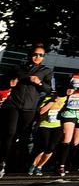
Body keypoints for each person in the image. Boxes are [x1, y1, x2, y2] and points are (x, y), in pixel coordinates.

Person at [0, 44, 53, 178]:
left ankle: (17, 163)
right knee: (9, 133)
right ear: (30, 55)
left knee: (23, 136)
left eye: (41, 55)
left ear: (43, 57)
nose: (37, 57)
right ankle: (2, 162)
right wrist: (9, 83)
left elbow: (48, 90)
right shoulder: (18, 68)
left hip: (30, 108)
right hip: (13, 104)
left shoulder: (46, 71)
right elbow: (3, 81)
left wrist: (39, 83)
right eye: (35, 54)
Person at [28, 90, 66, 175]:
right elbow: (41, 111)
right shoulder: (47, 98)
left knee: (51, 148)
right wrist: (52, 101)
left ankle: (39, 166)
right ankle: (33, 164)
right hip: (44, 125)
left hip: (57, 126)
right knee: (43, 146)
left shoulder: (66, 100)